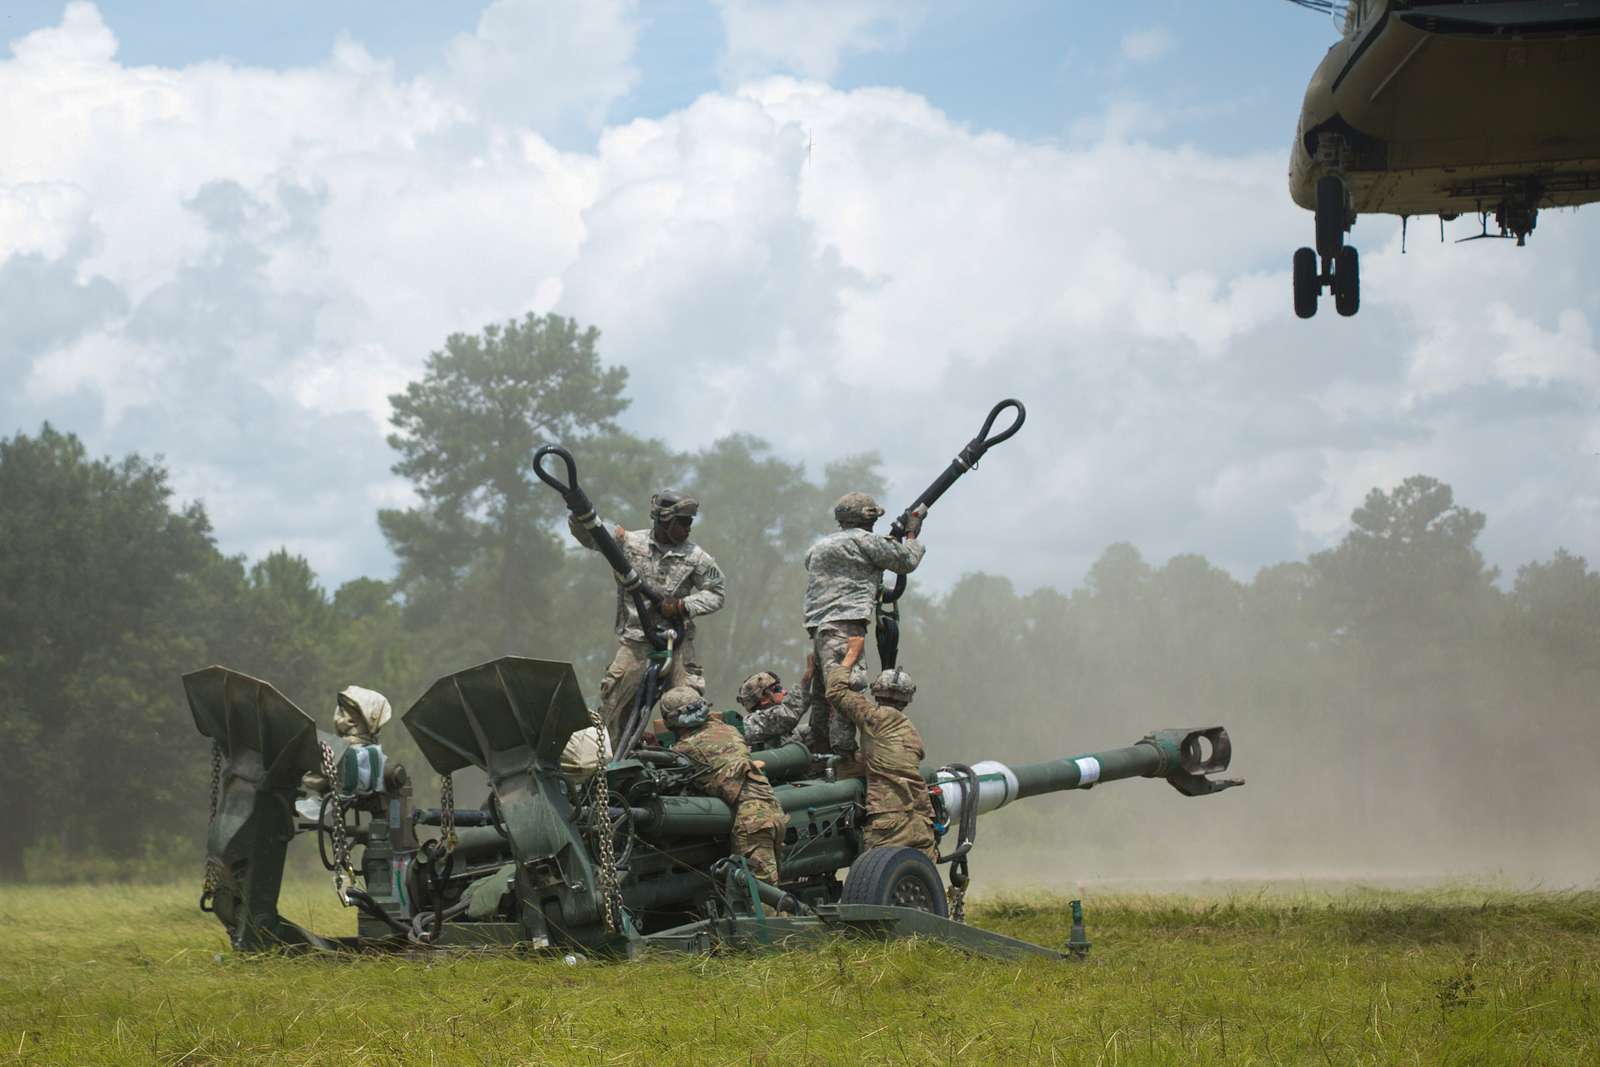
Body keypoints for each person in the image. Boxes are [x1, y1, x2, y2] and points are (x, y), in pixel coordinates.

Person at [569, 489, 726, 743]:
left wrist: (681, 606)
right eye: (683, 522)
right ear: (664, 519)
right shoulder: (627, 542)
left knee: (690, 707)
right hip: (636, 643)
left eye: (690, 522)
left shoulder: (696, 557)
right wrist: (578, 513)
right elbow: (592, 534)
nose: (689, 528)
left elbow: (717, 593)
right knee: (613, 709)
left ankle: (696, 762)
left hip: (676, 644)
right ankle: (614, 770)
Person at [801, 492, 925, 762]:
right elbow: (906, 561)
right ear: (868, 517)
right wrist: (912, 535)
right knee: (847, 690)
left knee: (824, 694)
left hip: (820, 629)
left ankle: (819, 751)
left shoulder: (818, 547)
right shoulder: (865, 541)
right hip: (846, 629)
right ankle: (843, 756)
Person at [660, 686, 786, 886]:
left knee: (758, 898)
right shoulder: (730, 730)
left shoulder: (685, 748)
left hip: (751, 820)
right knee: (770, 890)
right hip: (771, 811)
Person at [823, 662, 936, 860]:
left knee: (872, 882)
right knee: (920, 880)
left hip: (888, 821)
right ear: (907, 699)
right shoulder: (911, 733)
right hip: (920, 819)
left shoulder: (874, 717)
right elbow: (886, 761)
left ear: (876, 692)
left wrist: (848, 659)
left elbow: (835, 691)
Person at [734, 668, 819, 750]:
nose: (784, 691)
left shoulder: (778, 727)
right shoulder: (752, 723)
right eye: (777, 689)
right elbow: (788, 714)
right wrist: (807, 677)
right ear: (764, 699)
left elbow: (813, 732)